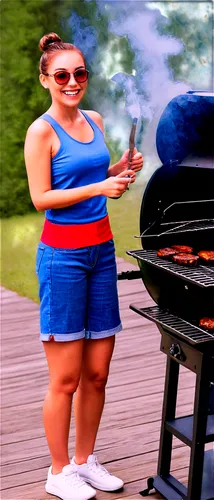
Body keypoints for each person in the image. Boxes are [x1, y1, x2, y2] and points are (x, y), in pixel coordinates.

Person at [24, 32, 143, 500]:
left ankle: (84, 461)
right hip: (63, 259)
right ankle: (58, 472)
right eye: (61, 75)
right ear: (45, 81)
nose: (72, 82)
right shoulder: (42, 131)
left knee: (97, 373)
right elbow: (42, 198)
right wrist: (98, 190)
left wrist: (117, 169)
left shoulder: (92, 119)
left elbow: (94, 176)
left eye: (79, 73)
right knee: (67, 378)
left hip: (100, 253)